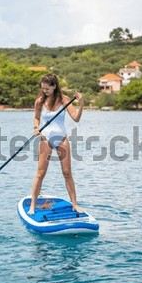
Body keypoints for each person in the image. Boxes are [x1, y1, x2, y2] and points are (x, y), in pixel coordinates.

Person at [28, 73, 84, 215]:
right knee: (40, 173)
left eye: (47, 88)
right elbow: (36, 117)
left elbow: (76, 119)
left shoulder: (64, 100)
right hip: (45, 139)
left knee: (67, 173)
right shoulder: (40, 101)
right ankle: (32, 206)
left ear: (54, 86)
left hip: (62, 138)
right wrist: (35, 128)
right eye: (43, 88)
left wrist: (81, 104)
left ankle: (75, 205)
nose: (44, 91)